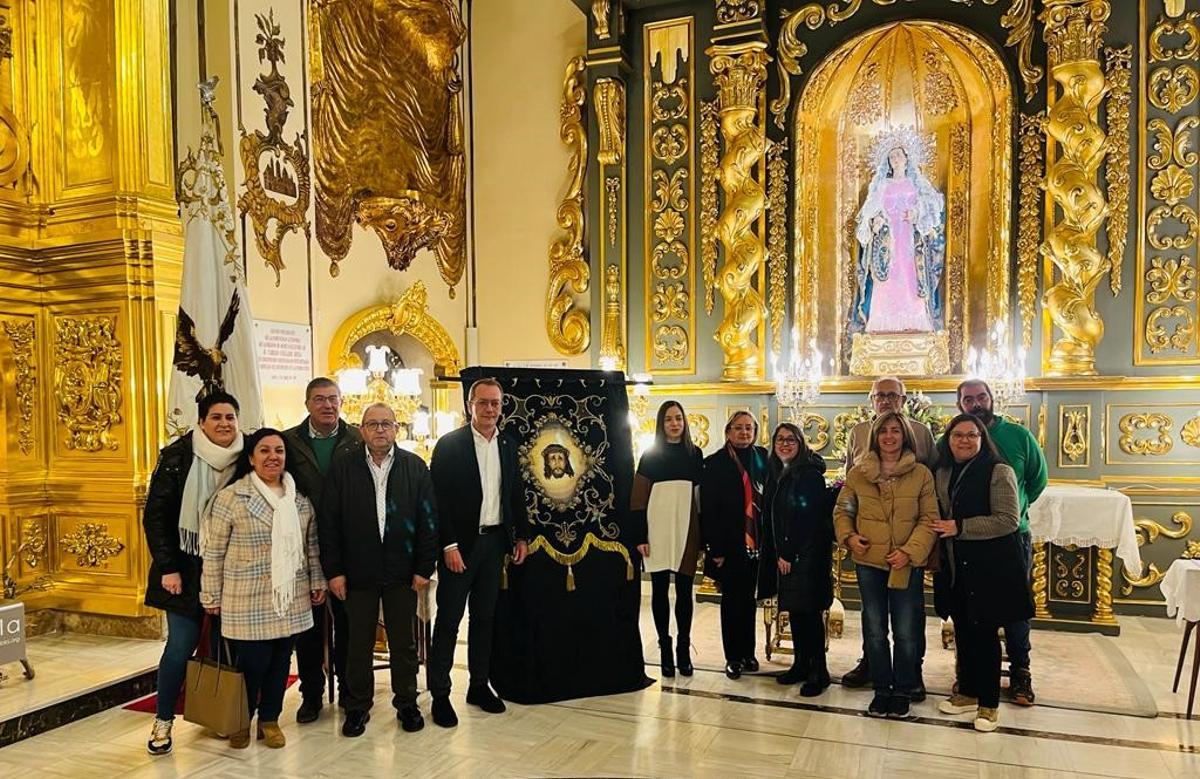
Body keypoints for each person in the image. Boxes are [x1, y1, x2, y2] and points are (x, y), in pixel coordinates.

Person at [200, 428, 327, 750]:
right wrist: (210, 595)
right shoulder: (232, 497)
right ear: (251, 458)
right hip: (246, 596)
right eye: (265, 451)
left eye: (279, 451)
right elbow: (214, 551)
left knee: (281, 662)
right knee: (251, 664)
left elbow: (311, 547)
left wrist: (317, 582)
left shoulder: (298, 500)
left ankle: (269, 720)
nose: (273, 457)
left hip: (290, 596)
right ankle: (242, 718)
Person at [319, 403, 438, 738]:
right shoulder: (344, 469)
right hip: (357, 573)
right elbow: (329, 524)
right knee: (357, 644)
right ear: (362, 429)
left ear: (397, 428)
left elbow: (429, 520)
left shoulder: (415, 467)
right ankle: (357, 708)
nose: (380, 430)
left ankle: (407, 704)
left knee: (403, 644)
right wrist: (335, 571)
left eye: (387, 423)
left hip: (403, 572)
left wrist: (423, 567)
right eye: (373, 424)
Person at [143, 392, 244, 756]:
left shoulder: (247, 458)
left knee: (222, 647)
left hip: (233, 570)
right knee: (181, 646)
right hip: (185, 568)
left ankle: (219, 714)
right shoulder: (178, 457)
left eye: (230, 417)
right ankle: (163, 720)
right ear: (201, 422)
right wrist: (168, 567)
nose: (224, 424)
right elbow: (156, 517)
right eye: (216, 417)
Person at [427, 378, 530, 728]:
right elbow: (436, 501)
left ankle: (478, 685)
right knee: (449, 620)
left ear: (502, 407)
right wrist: (449, 545)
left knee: (485, 619)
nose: (490, 409)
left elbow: (515, 493)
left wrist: (522, 537)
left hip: (495, 543)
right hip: (460, 546)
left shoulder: (507, 444)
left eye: (496, 404)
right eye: (483, 403)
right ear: (470, 404)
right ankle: (440, 694)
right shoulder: (450, 445)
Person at [932, 414, 1034, 732]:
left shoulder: (998, 470)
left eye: (972, 435)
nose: (964, 440)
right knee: (963, 630)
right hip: (956, 566)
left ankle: (989, 704)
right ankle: (967, 692)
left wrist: (959, 527)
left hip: (990, 567)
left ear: (982, 439)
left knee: (986, 635)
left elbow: (1007, 520)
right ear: (948, 439)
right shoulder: (944, 470)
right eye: (958, 434)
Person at [834, 411, 938, 720]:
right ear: (875, 437)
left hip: (906, 563)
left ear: (905, 435)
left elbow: (928, 518)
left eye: (895, 431)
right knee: (874, 628)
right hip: (869, 563)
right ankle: (881, 689)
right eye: (883, 432)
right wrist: (849, 537)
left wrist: (909, 551)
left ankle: (903, 689)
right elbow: (843, 510)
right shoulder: (858, 474)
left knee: (906, 630)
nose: (889, 437)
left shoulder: (920, 474)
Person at [955, 379, 1047, 706]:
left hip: (1010, 536)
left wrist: (1016, 507)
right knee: (969, 609)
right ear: (960, 405)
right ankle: (969, 673)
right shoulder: (951, 438)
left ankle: (1021, 672)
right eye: (969, 399)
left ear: (992, 399)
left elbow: (1038, 479)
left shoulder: (1018, 436)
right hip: (967, 539)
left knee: (1013, 609)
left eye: (981, 397)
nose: (976, 403)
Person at [282, 377, 363, 723]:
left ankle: (348, 689)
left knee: (348, 624)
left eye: (333, 399)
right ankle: (311, 694)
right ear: (307, 405)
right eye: (319, 399)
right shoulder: (289, 442)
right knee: (310, 627)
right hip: (304, 547)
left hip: (348, 546)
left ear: (342, 402)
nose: (327, 406)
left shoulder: (357, 438)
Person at [630, 401, 704, 678]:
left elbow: (699, 499)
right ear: (661, 424)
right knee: (660, 591)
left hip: (686, 529)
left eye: (679, 419)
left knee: (685, 592)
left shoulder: (694, 454)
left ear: (685, 422)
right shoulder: (650, 456)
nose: (675, 424)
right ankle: (665, 650)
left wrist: (702, 538)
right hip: (656, 529)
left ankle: (684, 649)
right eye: (669, 420)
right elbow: (638, 500)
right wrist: (640, 536)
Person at [700, 411, 776, 679]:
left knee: (749, 602)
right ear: (728, 431)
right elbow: (709, 510)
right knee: (732, 603)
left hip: (759, 544)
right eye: (739, 428)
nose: (744, 433)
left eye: (749, 428)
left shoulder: (764, 458)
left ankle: (749, 653)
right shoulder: (715, 463)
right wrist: (716, 550)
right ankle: (732, 657)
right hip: (729, 546)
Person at [766, 422, 834, 696]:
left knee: (809, 613)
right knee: (796, 610)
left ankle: (819, 671)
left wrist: (788, 552)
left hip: (807, 555)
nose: (785, 444)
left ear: (801, 444)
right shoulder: (780, 472)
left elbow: (806, 517)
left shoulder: (808, 474)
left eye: (791, 440)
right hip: (792, 554)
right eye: (780, 439)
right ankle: (801, 664)